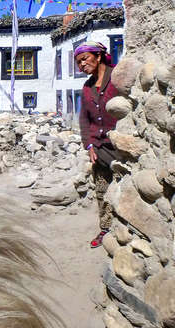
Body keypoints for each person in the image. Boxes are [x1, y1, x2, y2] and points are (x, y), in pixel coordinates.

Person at [75, 41, 119, 248]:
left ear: (99, 56)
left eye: (85, 59)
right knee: (102, 192)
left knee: (122, 189)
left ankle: (124, 230)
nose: (82, 65)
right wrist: (89, 145)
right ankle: (106, 229)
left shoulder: (117, 78)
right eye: (78, 62)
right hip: (99, 149)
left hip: (120, 147)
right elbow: (84, 119)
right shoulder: (86, 87)